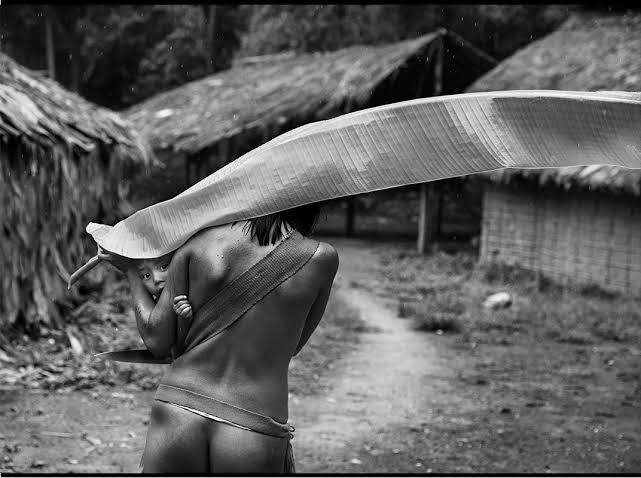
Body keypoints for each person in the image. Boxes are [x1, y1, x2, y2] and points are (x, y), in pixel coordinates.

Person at [98, 202, 339, 473]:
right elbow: (293, 346)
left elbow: (156, 340)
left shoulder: (199, 241)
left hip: (178, 407)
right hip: (251, 421)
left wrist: (131, 271)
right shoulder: (321, 258)